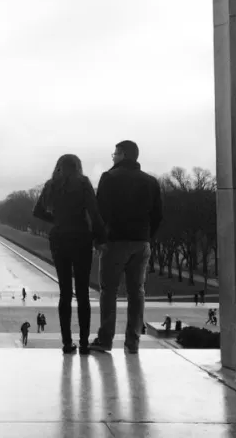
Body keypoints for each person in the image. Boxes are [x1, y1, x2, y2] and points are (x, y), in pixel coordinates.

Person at [91, 141, 163, 355]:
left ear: (122, 154)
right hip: (141, 242)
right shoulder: (151, 181)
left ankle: (105, 340)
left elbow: (99, 212)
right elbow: (158, 215)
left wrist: (99, 239)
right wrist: (146, 236)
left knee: (109, 291)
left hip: (116, 241)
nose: (112, 157)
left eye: (114, 153)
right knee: (137, 291)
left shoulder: (109, 178)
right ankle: (133, 342)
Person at [33, 153, 106, 355]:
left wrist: (56, 220)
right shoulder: (83, 183)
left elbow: (37, 211)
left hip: (59, 238)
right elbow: (94, 212)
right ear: (78, 166)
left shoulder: (51, 184)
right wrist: (100, 238)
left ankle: (66, 343)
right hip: (81, 237)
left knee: (65, 293)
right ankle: (83, 343)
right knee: (82, 294)